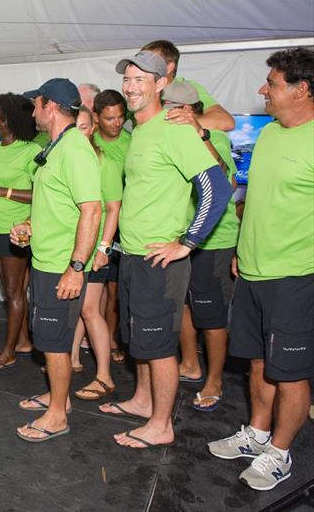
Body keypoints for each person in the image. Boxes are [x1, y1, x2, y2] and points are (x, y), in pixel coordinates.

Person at [99, 51, 231, 449]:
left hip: (160, 259)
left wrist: (187, 243)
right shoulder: (140, 131)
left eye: (141, 79)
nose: (131, 86)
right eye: (128, 79)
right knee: (139, 338)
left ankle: (162, 424)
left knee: (158, 347)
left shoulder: (174, 128)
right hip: (134, 254)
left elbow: (217, 188)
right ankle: (143, 401)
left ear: (161, 85)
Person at [208, 47, 313, 491]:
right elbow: (255, 198)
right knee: (257, 363)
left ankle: (280, 453)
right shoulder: (270, 134)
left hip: (294, 278)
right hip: (250, 270)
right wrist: (242, 248)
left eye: (271, 83)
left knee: (290, 372)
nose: (261, 90)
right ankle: (257, 432)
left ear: (302, 89)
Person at [11, 78, 101, 442]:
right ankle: (56, 397)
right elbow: (60, 205)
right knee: (50, 338)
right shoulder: (57, 147)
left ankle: (58, 415)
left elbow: (92, 211)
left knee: (56, 342)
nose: (32, 111)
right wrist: (30, 226)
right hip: (45, 260)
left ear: (50, 106)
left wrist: (76, 267)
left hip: (61, 265)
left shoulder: (75, 149)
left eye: (35, 104)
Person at [160, 81, 239, 412]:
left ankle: (215, 380)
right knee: (186, 306)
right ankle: (190, 364)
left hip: (213, 240)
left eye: (172, 108)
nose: (166, 113)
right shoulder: (170, 137)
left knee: (212, 316)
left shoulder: (213, 137)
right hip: (180, 239)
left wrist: (201, 136)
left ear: (190, 110)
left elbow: (226, 182)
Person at [0, 93, 40, 370]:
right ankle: (24, 340)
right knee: (10, 290)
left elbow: (39, 193)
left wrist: (1, 191)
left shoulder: (31, 152)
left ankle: (9, 351)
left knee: (14, 293)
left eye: (0, 117)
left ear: (14, 120)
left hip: (18, 232)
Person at [68, 105, 122, 401]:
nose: (79, 132)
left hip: (96, 248)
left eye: (85, 126)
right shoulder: (69, 158)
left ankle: (104, 376)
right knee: (77, 306)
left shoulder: (105, 163)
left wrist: (104, 247)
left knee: (90, 310)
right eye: (74, 126)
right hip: (75, 245)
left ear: (93, 128)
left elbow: (113, 208)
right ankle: (74, 358)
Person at [91, 90, 131, 365]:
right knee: (91, 291)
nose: (116, 123)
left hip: (122, 225)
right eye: (109, 118)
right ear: (96, 117)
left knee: (114, 290)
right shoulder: (87, 142)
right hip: (92, 223)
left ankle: (112, 337)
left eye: (120, 117)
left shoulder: (133, 142)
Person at [141, 40, 235, 132]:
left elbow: (226, 121)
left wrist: (175, 126)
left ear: (169, 68)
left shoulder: (188, 88)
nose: (140, 67)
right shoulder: (135, 89)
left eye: (149, 62)